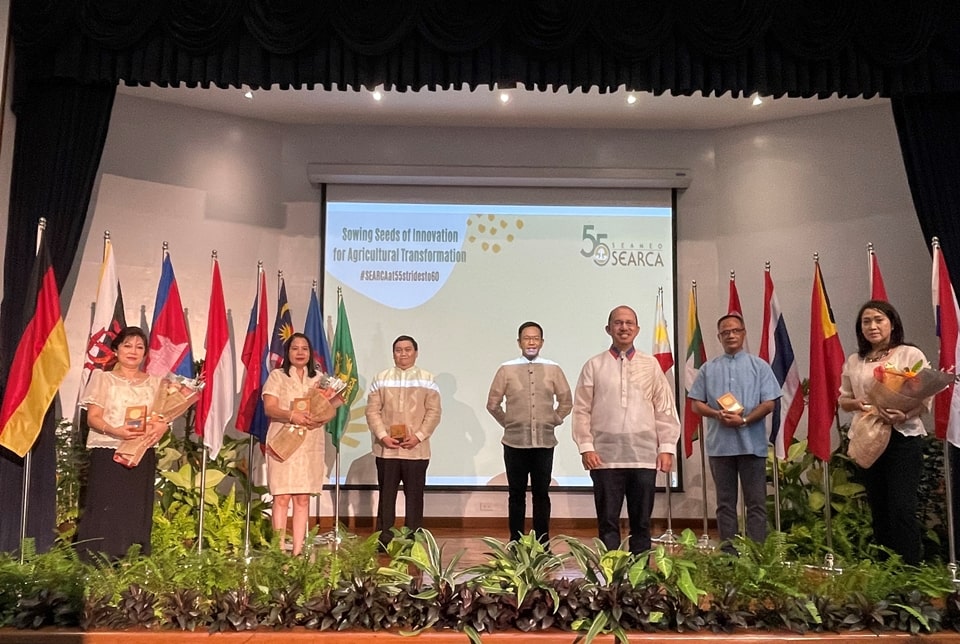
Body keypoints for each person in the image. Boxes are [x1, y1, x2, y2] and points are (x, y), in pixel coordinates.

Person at [572, 305, 680, 554]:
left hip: (643, 457)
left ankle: (640, 580)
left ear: (637, 329)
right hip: (604, 458)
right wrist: (586, 447)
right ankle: (611, 582)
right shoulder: (594, 365)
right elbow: (581, 410)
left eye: (629, 323)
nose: (624, 327)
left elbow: (664, 409)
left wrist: (666, 448)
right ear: (609, 329)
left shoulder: (650, 365)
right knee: (607, 523)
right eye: (618, 323)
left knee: (641, 524)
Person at [838, 300, 929, 565]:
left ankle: (910, 573)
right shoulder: (856, 360)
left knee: (902, 508)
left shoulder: (909, 355)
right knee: (879, 508)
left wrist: (904, 414)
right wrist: (859, 404)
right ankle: (885, 573)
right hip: (868, 437)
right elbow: (844, 400)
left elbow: (925, 399)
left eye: (878, 319)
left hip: (903, 437)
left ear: (892, 323)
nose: (872, 326)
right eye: (866, 321)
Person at [688, 313, 780, 551]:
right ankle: (729, 558)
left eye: (735, 330)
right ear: (719, 337)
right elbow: (695, 403)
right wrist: (716, 414)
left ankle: (757, 556)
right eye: (725, 332)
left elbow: (770, 403)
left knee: (756, 504)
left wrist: (745, 420)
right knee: (725, 504)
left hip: (752, 446)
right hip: (720, 447)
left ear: (743, 333)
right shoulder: (708, 368)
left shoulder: (759, 366)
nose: (730, 335)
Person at [75, 326, 167, 561]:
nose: (133, 351)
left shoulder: (156, 383)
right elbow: (93, 417)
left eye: (139, 347)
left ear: (146, 353)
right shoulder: (103, 378)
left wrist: (161, 426)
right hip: (109, 449)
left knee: (135, 507)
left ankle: (132, 560)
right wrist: (117, 431)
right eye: (127, 345)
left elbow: (162, 417)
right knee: (107, 505)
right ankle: (96, 561)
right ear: (116, 349)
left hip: (140, 452)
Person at [486, 321, 573, 543]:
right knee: (516, 495)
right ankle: (515, 542)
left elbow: (566, 401)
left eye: (535, 338)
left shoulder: (553, 369)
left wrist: (553, 420)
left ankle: (542, 543)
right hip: (514, 444)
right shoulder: (506, 369)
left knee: (541, 495)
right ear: (519, 342)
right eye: (527, 338)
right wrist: (510, 423)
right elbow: (493, 404)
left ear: (542, 342)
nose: (531, 342)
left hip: (544, 444)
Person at [365, 335, 441, 547]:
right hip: (386, 449)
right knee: (386, 497)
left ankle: (413, 541)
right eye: (399, 350)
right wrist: (383, 436)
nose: (403, 354)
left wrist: (418, 436)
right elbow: (372, 411)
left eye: (408, 350)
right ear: (393, 353)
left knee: (415, 498)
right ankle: (384, 540)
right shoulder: (380, 378)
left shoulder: (427, 378)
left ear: (416, 353)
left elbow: (434, 412)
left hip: (416, 450)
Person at [263, 333, 328, 556]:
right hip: (283, 440)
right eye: (295, 348)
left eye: (304, 349)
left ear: (310, 354)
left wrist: (322, 416)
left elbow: (329, 409)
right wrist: (292, 415)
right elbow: (269, 408)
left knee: (302, 498)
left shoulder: (320, 379)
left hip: (310, 443)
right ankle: (279, 552)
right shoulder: (277, 376)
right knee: (281, 497)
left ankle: (298, 551)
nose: (300, 352)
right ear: (287, 353)